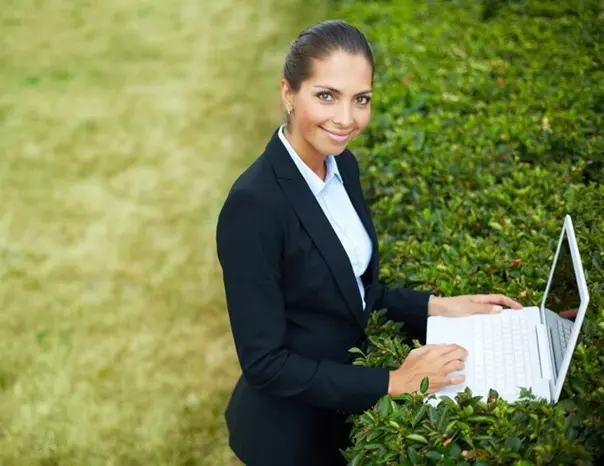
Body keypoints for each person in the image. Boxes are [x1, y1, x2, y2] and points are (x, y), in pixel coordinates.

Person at [215, 20, 523, 466]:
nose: (346, 119)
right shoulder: (254, 206)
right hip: (291, 436)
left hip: (346, 411)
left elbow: (351, 289)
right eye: (326, 96)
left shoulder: (342, 166)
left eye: (361, 99)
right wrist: (393, 382)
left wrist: (437, 306)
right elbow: (266, 364)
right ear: (288, 93)